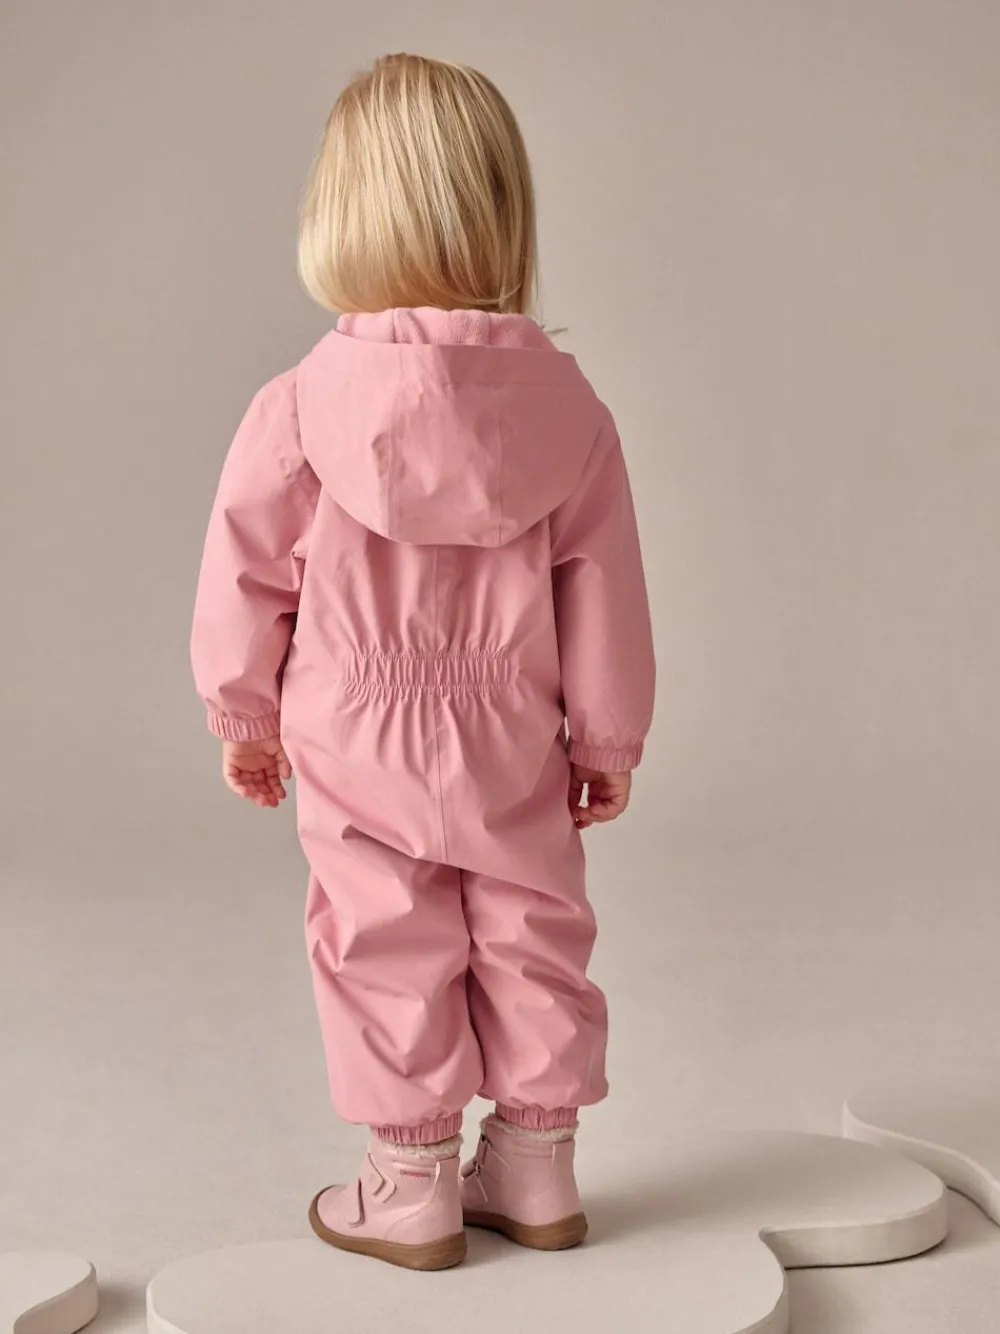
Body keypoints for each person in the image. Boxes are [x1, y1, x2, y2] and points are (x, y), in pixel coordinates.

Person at [190, 52, 655, 1272]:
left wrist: (244, 712)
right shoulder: (571, 412)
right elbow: (602, 586)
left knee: (381, 929)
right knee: (531, 919)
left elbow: (246, 572)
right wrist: (606, 737)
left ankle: (409, 1183)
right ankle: (538, 1162)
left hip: (356, 719)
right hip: (511, 720)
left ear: (340, 216)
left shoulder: (300, 404)